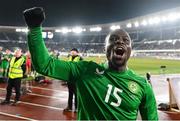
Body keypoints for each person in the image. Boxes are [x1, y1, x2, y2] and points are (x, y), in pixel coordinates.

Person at [23, 7, 158, 120]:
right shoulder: (85, 70)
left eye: (125, 41)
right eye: (114, 39)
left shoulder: (143, 85)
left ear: (130, 50)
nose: (120, 42)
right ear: (105, 49)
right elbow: (45, 65)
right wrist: (34, 28)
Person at [64, 48, 83, 113]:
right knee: (70, 93)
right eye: (71, 51)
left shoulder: (79, 58)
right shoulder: (69, 57)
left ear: (77, 52)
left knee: (76, 94)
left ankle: (77, 108)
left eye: (74, 51)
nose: (72, 52)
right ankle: (69, 106)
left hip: (76, 79)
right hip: (69, 79)